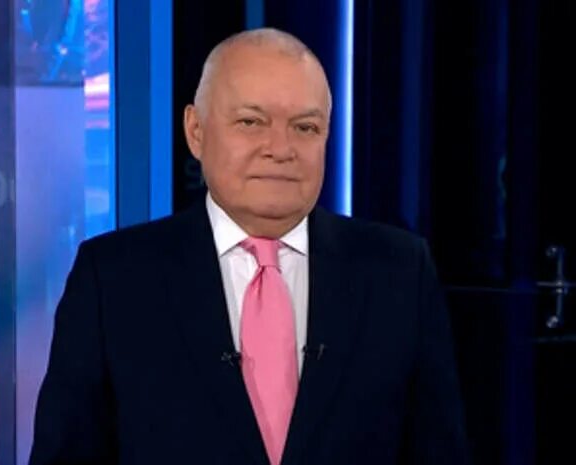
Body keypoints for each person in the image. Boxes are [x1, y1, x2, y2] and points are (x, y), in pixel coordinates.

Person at [29, 28, 470, 465]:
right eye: (251, 122)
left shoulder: (399, 272)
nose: (280, 148)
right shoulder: (114, 278)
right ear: (196, 131)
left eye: (305, 127)